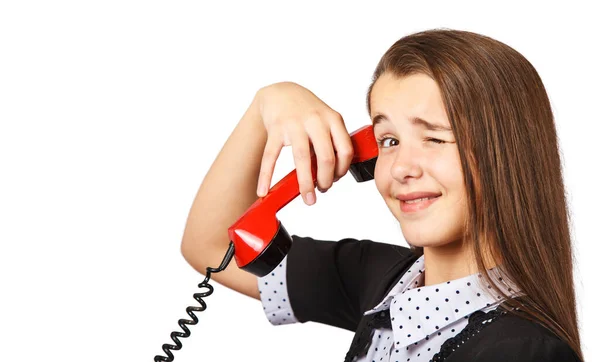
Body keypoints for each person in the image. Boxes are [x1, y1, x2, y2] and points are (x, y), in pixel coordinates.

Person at [180, 28, 583, 361]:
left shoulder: (524, 352)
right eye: (388, 140)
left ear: (506, 156)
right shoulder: (385, 283)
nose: (402, 168)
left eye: (434, 138)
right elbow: (210, 246)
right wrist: (267, 103)